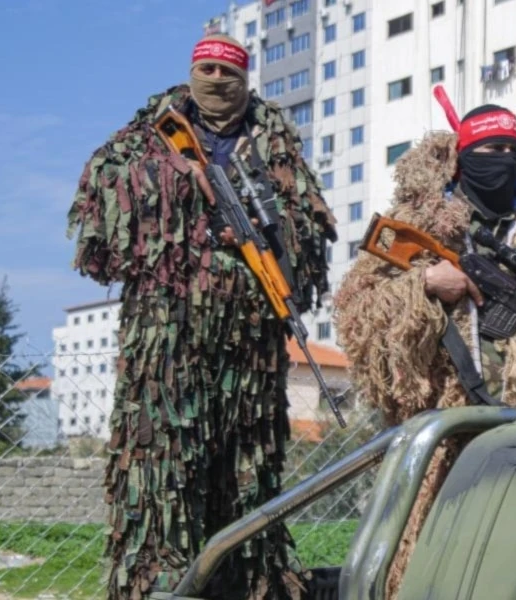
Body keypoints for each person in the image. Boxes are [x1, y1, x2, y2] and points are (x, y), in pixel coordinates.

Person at [66, 34, 337, 600]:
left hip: (249, 348)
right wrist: (180, 188)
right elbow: (97, 214)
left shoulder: (272, 144)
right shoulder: (149, 137)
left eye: (228, 72)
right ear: (191, 73)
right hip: (165, 347)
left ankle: (244, 583)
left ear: (246, 81)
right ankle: (156, 585)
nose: (216, 80)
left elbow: (308, 234)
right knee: (161, 474)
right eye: (206, 69)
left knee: (246, 475)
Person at [333, 103, 516, 597]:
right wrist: (423, 282)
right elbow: (357, 317)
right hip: (444, 436)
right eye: (490, 149)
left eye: (511, 149)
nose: (502, 159)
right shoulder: (418, 225)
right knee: (436, 567)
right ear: (463, 159)